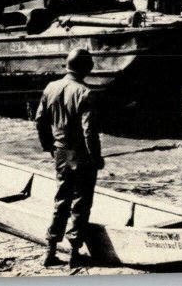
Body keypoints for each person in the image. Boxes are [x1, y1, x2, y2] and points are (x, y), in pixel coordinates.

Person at [35, 48, 104, 268]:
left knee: (61, 200)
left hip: (60, 153)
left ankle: (50, 250)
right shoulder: (85, 92)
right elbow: (89, 131)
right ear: (87, 68)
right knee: (80, 203)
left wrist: (49, 146)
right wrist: (96, 157)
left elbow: (39, 120)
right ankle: (75, 254)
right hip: (81, 155)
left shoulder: (51, 87)